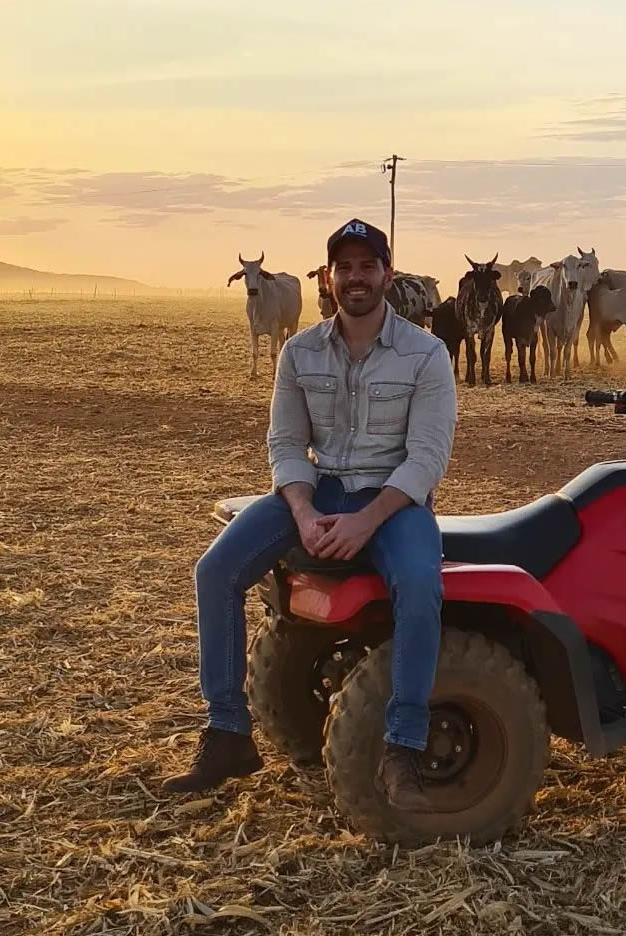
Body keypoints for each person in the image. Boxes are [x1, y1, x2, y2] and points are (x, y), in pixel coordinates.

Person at [164, 218, 458, 812]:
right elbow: (285, 444)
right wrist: (301, 509)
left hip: (391, 502)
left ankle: (403, 746)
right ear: (328, 277)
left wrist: (365, 520)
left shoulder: (425, 354)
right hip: (316, 492)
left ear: (387, 275)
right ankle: (227, 733)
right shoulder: (299, 353)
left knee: (421, 587)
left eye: (367, 266)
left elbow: (428, 458)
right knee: (215, 571)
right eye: (344, 267)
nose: (355, 277)